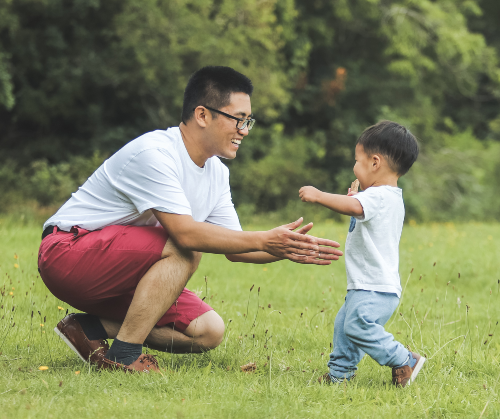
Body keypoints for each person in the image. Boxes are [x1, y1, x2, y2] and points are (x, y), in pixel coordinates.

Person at [38, 66, 344, 373]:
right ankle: (124, 355)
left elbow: (237, 248)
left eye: (248, 121)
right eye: (238, 119)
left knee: (208, 331)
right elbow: (186, 235)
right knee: (186, 247)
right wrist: (264, 237)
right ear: (202, 115)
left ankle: (88, 328)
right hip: (67, 254)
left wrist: (289, 247)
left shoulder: (216, 173)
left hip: (118, 270)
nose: (245, 130)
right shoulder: (155, 153)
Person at [299, 120, 424, 387]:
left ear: (375, 163)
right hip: (368, 285)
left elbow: (355, 208)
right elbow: (359, 207)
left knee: (356, 326)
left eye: (357, 161)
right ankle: (339, 375)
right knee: (345, 326)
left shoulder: (378, 198)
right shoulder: (386, 197)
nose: (354, 167)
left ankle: (404, 359)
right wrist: (357, 197)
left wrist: (320, 195)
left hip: (374, 286)